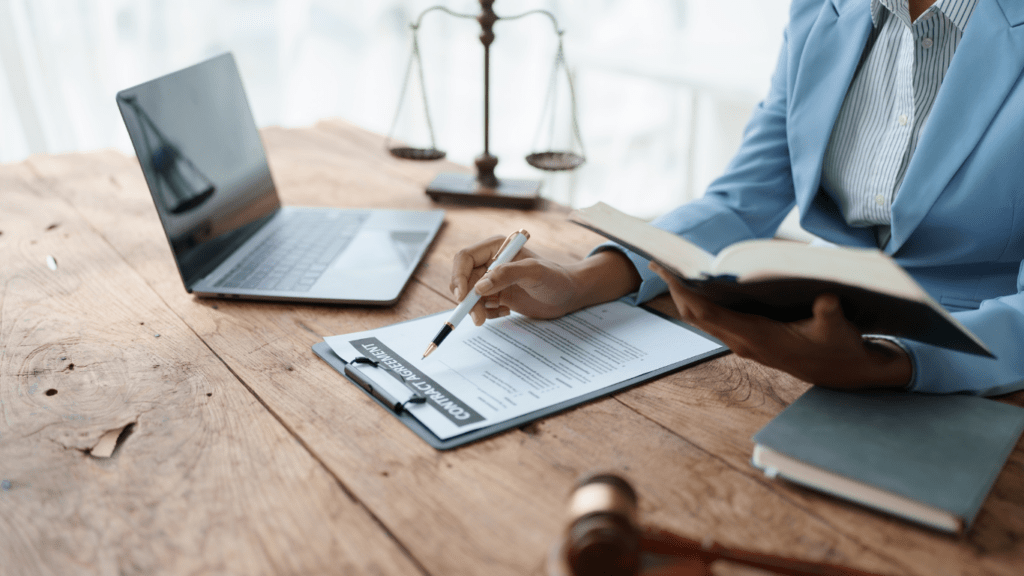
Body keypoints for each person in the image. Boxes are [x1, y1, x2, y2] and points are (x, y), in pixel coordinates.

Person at [449, 0, 1024, 396]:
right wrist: (581, 281)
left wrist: (888, 364)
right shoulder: (822, 11)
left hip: (986, 369)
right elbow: (743, 200)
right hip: (821, 340)